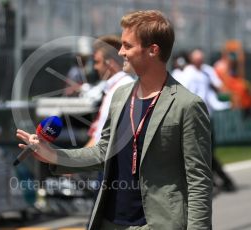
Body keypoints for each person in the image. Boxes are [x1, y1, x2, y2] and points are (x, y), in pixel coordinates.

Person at [17, 10, 212, 230]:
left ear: (152, 50)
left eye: (127, 46)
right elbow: (103, 152)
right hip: (109, 222)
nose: (120, 52)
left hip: (157, 224)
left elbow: (199, 181)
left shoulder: (187, 104)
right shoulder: (121, 96)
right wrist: (53, 154)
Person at [184, 48, 236, 192]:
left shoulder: (206, 72)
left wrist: (223, 104)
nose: (200, 62)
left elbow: (212, 95)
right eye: (197, 59)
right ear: (192, 59)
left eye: (201, 59)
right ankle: (222, 181)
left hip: (207, 117)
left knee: (207, 151)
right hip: (194, 117)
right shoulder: (187, 74)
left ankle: (216, 181)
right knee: (201, 152)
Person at [85, 35, 135, 147]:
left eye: (97, 62)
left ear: (110, 63)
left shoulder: (123, 87)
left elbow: (103, 142)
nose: (95, 67)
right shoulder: (115, 87)